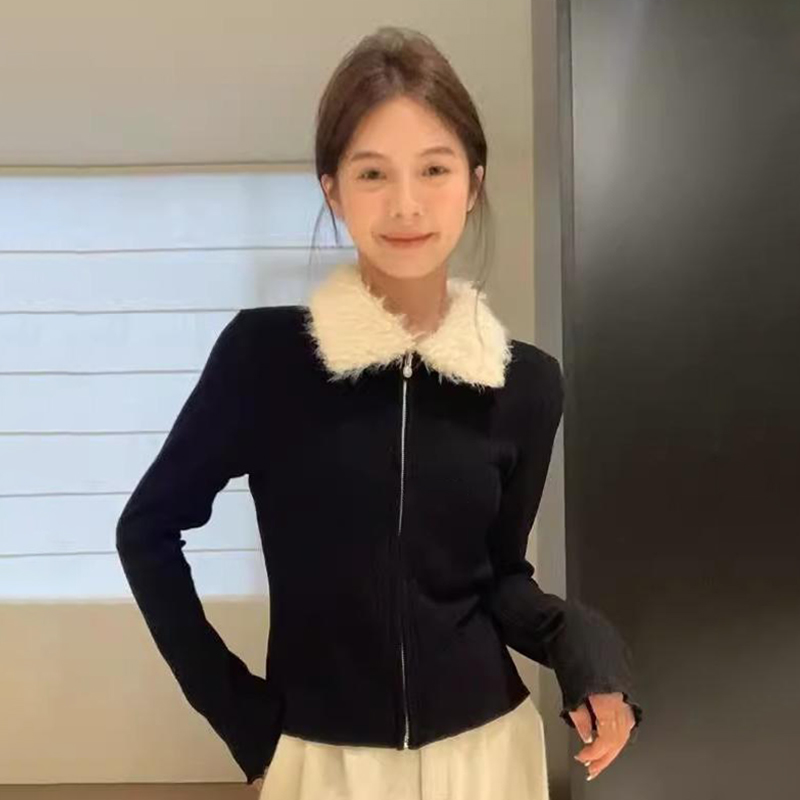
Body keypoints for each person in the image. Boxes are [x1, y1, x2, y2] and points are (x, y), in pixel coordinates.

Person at [116, 26, 643, 800]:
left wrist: (588, 650)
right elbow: (146, 533)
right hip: (326, 762)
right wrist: (242, 719)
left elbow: (501, 579)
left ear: (473, 182)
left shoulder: (525, 384)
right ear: (332, 188)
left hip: (487, 756)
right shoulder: (265, 360)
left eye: (434, 168)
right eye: (372, 173)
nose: (405, 203)